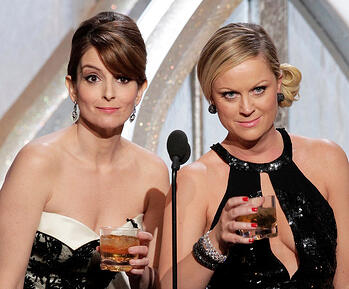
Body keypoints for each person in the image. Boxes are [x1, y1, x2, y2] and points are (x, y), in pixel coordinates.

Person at [159, 23, 349, 289]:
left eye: (258, 89)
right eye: (230, 95)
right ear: (211, 98)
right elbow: (169, 286)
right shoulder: (195, 180)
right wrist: (215, 241)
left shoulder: (329, 160)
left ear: (278, 82)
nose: (247, 108)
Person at [0, 11, 169, 289]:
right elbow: (7, 281)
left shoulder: (153, 173)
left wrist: (141, 272)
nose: (109, 93)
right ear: (73, 87)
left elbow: (151, 282)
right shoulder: (37, 163)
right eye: (93, 78)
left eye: (123, 78)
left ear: (140, 90)